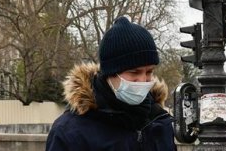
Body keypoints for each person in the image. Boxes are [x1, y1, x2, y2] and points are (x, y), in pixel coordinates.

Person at [46, 17, 176, 150]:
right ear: (110, 73)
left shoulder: (160, 121)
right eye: (134, 72)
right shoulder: (69, 132)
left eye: (149, 72)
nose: (143, 80)